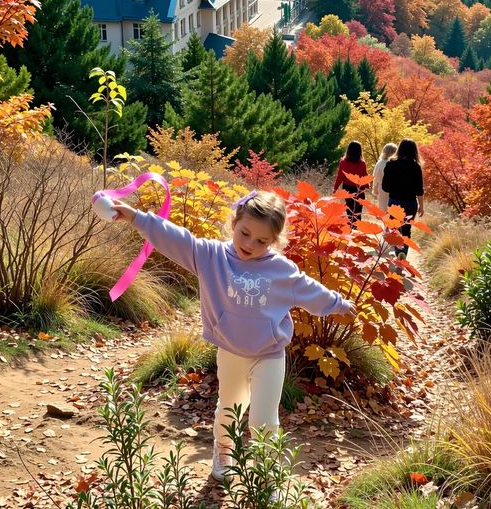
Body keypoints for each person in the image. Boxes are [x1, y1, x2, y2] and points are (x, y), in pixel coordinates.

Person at [110, 190, 356, 483]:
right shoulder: (209, 256)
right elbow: (176, 238)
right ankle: (223, 450)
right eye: (245, 233)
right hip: (230, 352)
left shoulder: (280, 270)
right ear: (234, 222)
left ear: (274, 241)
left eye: (262, 241)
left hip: (269, 354)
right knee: (229, 407)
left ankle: (266, 472)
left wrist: (338, 305)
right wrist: (137, 217)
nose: (250, 244)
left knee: (264, 420)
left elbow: (309, 289)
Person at [381, 139, 424, 258]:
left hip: (395, 201)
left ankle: (398, 251)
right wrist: (421, 206)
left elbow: (385, 187)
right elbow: (419, 190)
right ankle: (403, 252)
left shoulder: (391, 163)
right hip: (411, 203)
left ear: (400, 149)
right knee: (406, 228)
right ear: (414, 151)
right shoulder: (416, 166)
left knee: (395, 228)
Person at [333, 140, 368, 225]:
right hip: (359, 189)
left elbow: (340, 176)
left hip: (347, 189)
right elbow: (365, 176)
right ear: (360, 151)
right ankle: (356, 230)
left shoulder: (343, 162)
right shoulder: (362, 163)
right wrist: (367, 186)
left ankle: (350, 230)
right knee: (357, 212)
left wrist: (335, 188)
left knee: (349, 212)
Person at [371, 142, 397, 212]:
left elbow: (375, 177)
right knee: (393, 210)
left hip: (381, 188)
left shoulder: (380, 163)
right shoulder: (396, 164)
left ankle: (385, 222)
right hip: (394, 189)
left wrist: (375, 189)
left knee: (383, 209)